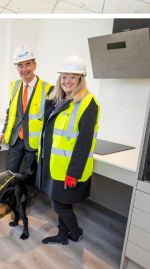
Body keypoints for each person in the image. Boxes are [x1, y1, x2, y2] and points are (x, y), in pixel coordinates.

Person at [36, 55, 100, 245]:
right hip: (55, 164)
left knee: (59, 204)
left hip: (68, 168)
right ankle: (63, 234)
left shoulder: (88, 103)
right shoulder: (60, 100)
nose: (67, 81)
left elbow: (84, 143)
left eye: (72, 77)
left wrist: (73, 173)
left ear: (81, 79)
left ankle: (75, 231)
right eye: (64, 77)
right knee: (60, 202)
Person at [0, 46, 54, 220]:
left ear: (34, 65)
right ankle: (6, 203)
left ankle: (23, 205)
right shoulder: (15, 85)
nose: (24, 69)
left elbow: (50, 120)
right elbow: (10, 111)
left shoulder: (48, 89)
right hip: (15, 139)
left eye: (27, 64)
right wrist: (4, 131)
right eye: (20, 66)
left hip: (34, 142)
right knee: (9, 174)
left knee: (28, 177)